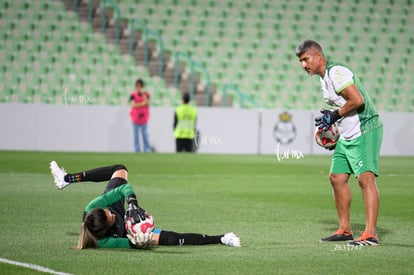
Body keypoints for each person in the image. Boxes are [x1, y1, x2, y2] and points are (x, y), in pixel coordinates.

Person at [295, 40, 383, 246]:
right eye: (300, 61)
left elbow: (357, 100)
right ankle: (344, 230)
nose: (303, 65)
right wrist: (333, 122)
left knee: (365, 179)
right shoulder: (323, 77)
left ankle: (370, 235)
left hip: (365, 128)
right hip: (347, 133)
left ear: (318, 56)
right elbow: (344, 105)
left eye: (305, 59)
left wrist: (333, 116)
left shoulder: (336, 72)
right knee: (336, 177)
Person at [49, 161, 240, 249]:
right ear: (108, 226)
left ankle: (67, 179)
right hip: (124, 232)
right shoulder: (105, 241)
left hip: (110, 215)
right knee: (170, 239)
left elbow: (125, 188)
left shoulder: (93, 207)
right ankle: (222, 238)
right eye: (111, 217)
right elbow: (129, 244)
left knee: (120, 170)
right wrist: (139, 242)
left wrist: (132, 202)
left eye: (108, 212)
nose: (113, 214)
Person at [130, 79, 151, 153]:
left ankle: (147, 150)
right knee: (135, 136)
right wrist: (142, 104)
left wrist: (143, 95)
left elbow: (148, 103)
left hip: (144, 118)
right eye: (137, 86)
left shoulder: (146, 94)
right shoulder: (133, 95)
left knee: (145, 134)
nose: (139, 87)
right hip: (135, 118)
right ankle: (137, 150)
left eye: (140, 86)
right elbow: (133, 105)